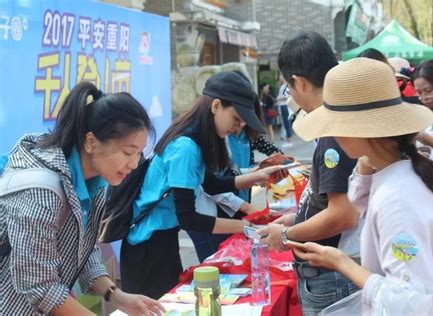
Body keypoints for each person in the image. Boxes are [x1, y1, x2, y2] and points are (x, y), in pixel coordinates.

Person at [291, 57, 433, 314]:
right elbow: (357, 205)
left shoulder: (396, 198)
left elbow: (412, 302)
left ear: (354, 131)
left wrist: (343, 263)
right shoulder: (413, 165)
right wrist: (365, 167)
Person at [0, 82, 165, 315]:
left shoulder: (95, 181)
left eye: (139, 153)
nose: (134, 164)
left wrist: (117, 296)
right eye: (128, 152)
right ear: (91, 141)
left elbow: (81, 248)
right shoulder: (41, 191)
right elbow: (39, 285)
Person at [120, 71, 285, 299]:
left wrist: (258, 175)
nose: (238, 128)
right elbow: (189, 218)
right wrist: (246, 228)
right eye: (236, 119)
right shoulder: (185, 148)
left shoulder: (196, 141)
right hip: (147, 249)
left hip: (162, 241)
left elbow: (212, 185)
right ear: (216, 106)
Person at [258, 31, 362, 315]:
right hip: (333, 271)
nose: (290, 95)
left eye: (289, 88)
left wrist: (287, 233)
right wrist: (294, 218)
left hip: (333, 274)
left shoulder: (335, 131)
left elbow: (344, 214)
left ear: (300, 82)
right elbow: (333, 199)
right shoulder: (336, 123)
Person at [276, 74, 293, 146]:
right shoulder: (282, 86)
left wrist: (278, 99)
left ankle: (289, 141)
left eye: (281, 76)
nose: (280, 78)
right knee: (285, 123)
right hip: (282, 105)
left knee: (286, 123)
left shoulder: (286, 86)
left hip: (284, 105)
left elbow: (287, 96)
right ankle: (287, 139)